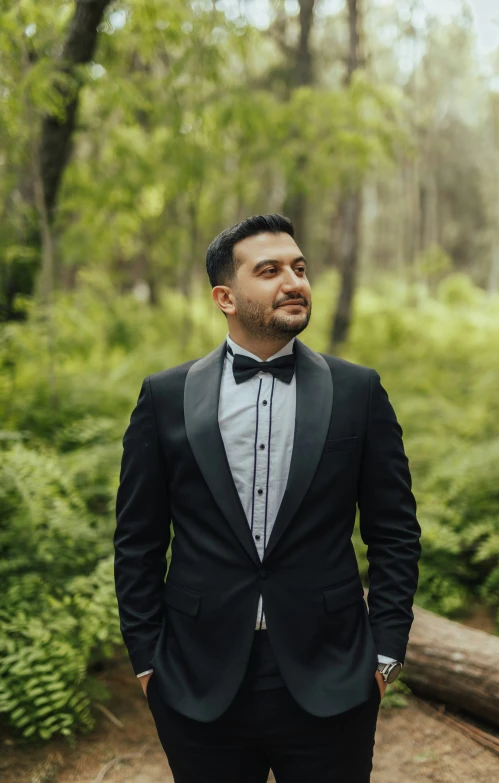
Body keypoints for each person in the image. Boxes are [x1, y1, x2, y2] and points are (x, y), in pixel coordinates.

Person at [113, 213, 422, 783]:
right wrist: (147, 662)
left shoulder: (359, 391)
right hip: (195, 676)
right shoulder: (164, 396)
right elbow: (138, 540)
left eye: (300, 268)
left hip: (333, 673)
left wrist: (385, 653)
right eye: (271, 269)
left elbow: (395, 531)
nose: (294, 281)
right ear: (225, 296)